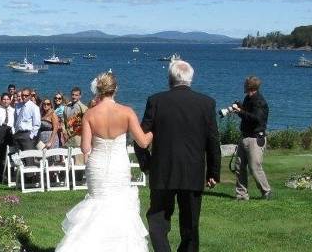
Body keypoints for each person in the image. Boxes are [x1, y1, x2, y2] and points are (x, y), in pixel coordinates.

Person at [56, 72, 152, 251]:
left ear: (99, 90)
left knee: (97, 204)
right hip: (118, 166)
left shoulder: (90, 114)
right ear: (115, 89)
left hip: (97, 166)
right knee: (119, 208)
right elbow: (143, 142)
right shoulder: (127, 112)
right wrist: (154, 129)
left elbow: (85, 147)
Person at [135, 60, 221, 252]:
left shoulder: (156, 101)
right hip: (193, 171)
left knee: (158, 221)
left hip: (162, 171)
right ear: (191, 79)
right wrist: (213, 172)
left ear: (170, 79)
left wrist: (146, 164)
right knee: (190, 225)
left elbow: (139, 137)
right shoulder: (206, 103)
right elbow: (213, 140)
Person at [232, 75, 271, 200]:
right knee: (239, 166)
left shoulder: (259, 101)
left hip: (255, 139)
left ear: (249, 86)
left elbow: (256, 119)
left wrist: (240, 112)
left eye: (245, 84)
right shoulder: (248, 98)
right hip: (245, 136)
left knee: (254, 167)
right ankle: (242, 194)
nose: (243, 86)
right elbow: (248, 115)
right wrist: (240, 107)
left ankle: (266, 191)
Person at [0, 93, 15, 182]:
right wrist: (2, 128)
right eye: (4, 99)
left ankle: (11, 175)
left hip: (10, 135)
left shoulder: (13, 111)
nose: (5, 101)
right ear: (1, 100)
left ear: (10, 100)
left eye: (7, 99)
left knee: (11, 155)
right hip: (0, 135)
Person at [13, 88, 41, 163]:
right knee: (18, 159)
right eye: (23, 95)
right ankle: (18, 174)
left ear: (30, 96)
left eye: (26, 95)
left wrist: (31, 136)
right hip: (18, 134)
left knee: (28, 159)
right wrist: (14, 131)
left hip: (27, 135)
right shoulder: (17, 106)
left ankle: (30, 175)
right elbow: (15, 121)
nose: (24, 97)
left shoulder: (34, 107)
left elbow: (37, 124)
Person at [63, 87, 88, 164]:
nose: (74, 97)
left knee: (78, 160)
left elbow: (86, 122)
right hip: (68, 136)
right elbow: (64, 121)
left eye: (76, 95)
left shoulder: (83, 107)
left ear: (80, 96)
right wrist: (64, 132)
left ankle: (78, 175)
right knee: (68, 159)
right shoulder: (67, 107)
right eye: (73, 95)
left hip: (78, 136)